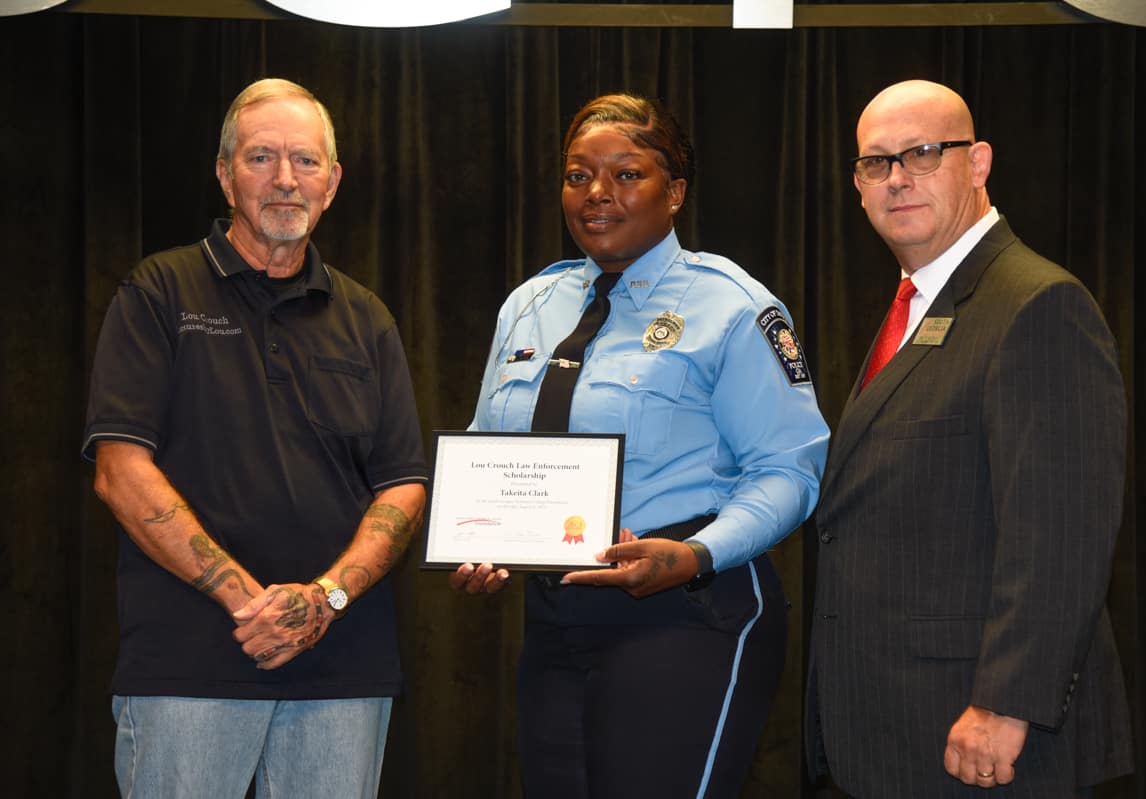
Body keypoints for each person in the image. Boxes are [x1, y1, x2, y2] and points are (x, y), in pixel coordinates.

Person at [450, 93, 829, 798]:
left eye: (627, 174)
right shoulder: (530, 304)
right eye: (578, 174)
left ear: (675, 191)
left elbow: (790, 470)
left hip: (686, 608)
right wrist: (476, 537)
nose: (598, 193)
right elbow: (486, 444)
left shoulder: (733, 305)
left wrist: (693, 555)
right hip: (556, 618)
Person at [82, 78, 427, 798]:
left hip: (343, 672)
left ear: (332, 182)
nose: (283, 179)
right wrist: (253, 604)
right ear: (224, 173)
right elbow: (119, 469)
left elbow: (403, 483)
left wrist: (322, 602)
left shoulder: (369, 319)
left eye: (304, 160)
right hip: (191, 667)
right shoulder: (158, 293)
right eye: (260, 157)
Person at [805, 79, 1134, 798]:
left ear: (978, 163)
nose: (897, 179)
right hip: (895, 727)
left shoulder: (1037, 304)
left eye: (923, 153)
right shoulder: (917, 307)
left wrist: (1006, 702)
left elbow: (1062, 532)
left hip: (985, 738)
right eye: (875, 162)